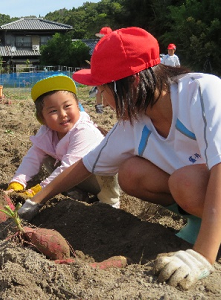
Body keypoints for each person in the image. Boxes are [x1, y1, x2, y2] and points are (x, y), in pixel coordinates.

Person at [18, 27, 221, 290]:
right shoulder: (134, 119)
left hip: (204, 183)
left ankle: (210, 239)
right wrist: (36, 201)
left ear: (132, 83)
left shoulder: (202, 92)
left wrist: (202, 256)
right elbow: (86, 164)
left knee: (187, 181)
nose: (101, 100)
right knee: (131, 173)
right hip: (203, 195)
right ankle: (201, 223)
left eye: (103, 89)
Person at [7, 74, 120, 210]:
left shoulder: (84, 131)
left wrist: (39, 191)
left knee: (101, 164)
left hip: (102, 180)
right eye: (53, 111)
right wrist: (17, 183)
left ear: (78, 107)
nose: (62, 114)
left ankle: (110, 203)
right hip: (76, 178)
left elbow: (68, 168)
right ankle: (76, 193)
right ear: (42, 118)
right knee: (46, 155)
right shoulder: (47, 132)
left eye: (67, 106)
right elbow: (33, 157)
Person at [92, 26, 113, 114]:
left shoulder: (112, 45)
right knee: (99, 91)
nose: (102, 38)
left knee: (108, 90)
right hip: (101, 71)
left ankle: (107, 106)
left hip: (110, 70)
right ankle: (100, 108)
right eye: (101, 37)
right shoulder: (98, 45)